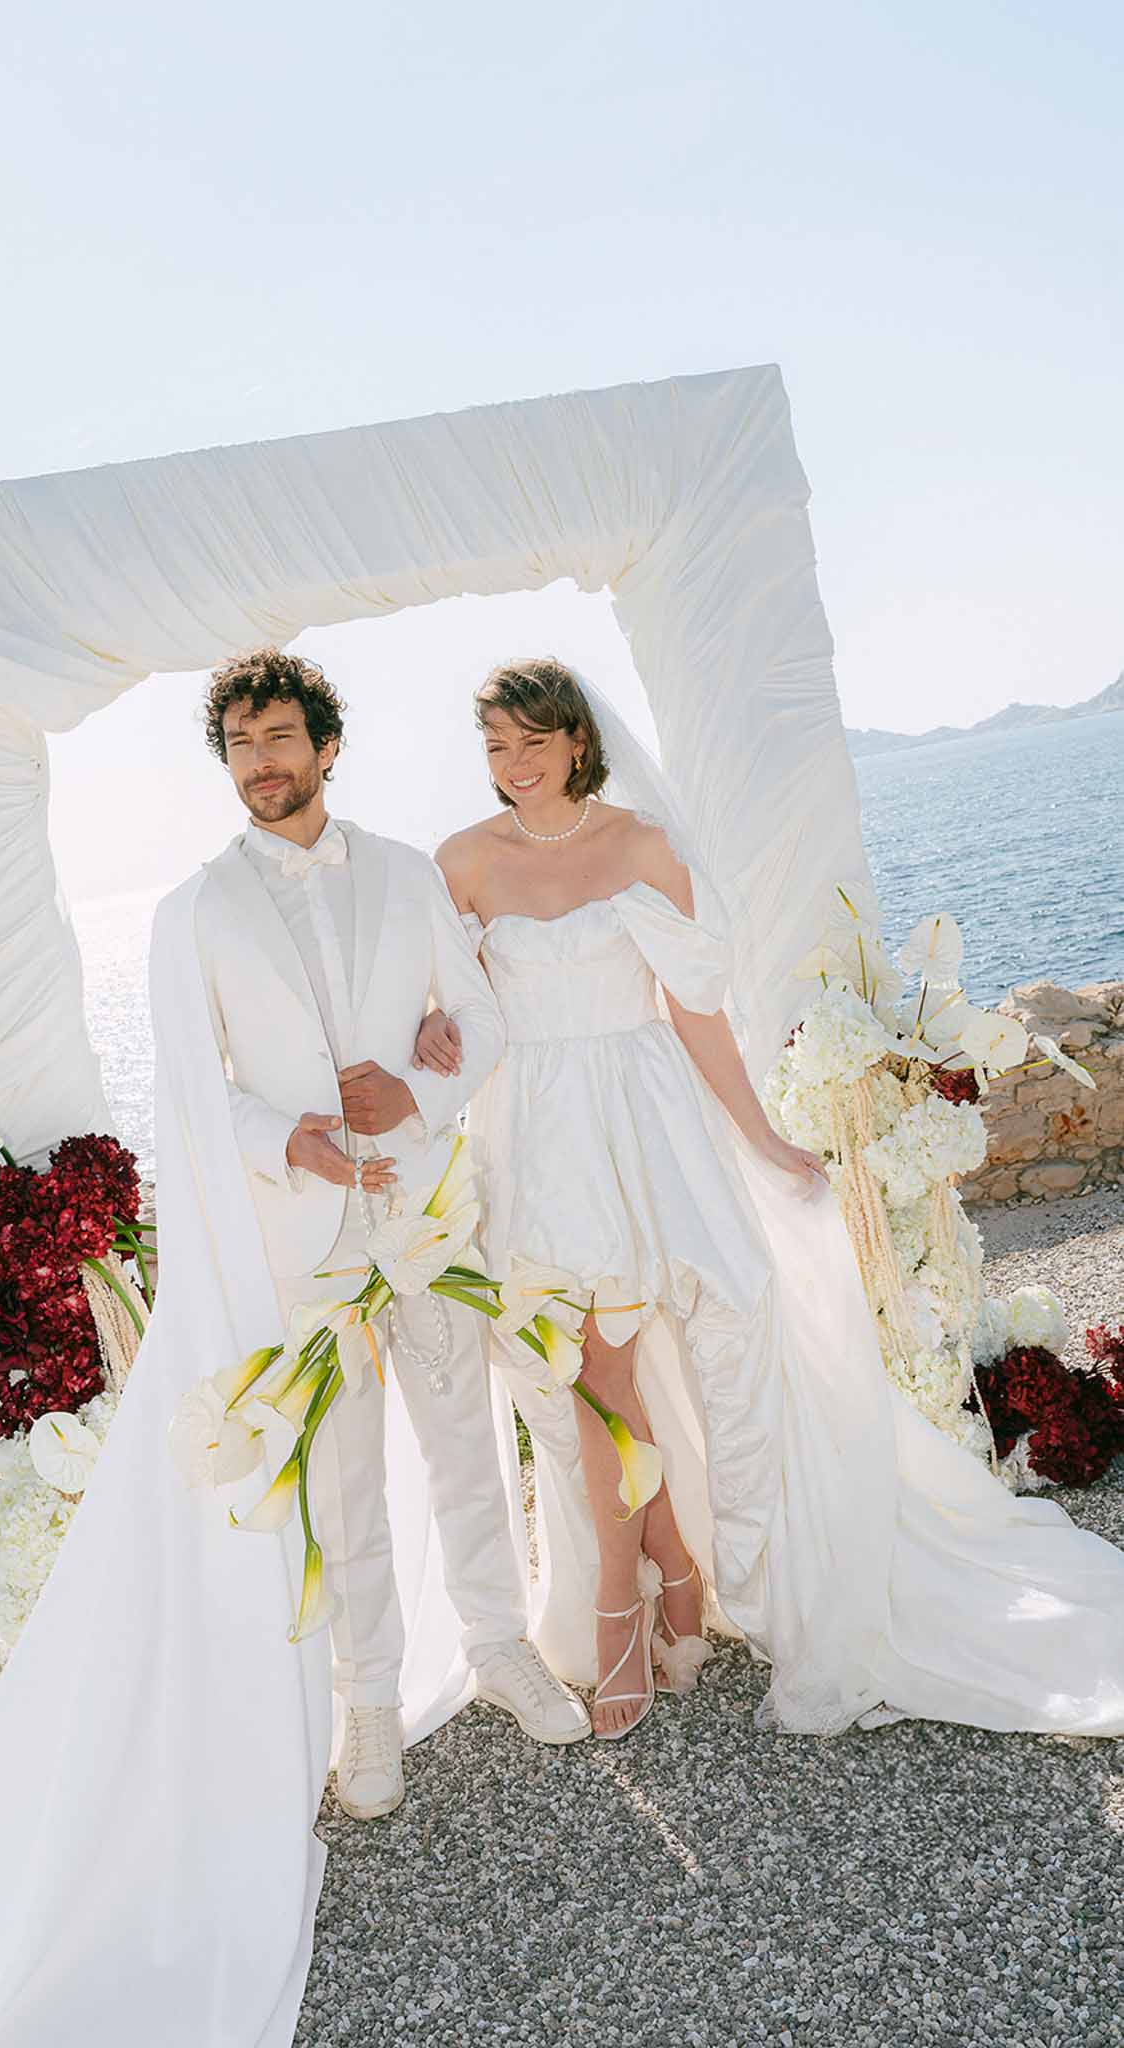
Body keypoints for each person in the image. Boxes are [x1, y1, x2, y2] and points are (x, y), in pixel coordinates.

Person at [416, 656, 1124, 1743]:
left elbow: (694, 1010)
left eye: (532, 742)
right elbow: (449, 1005)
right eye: (496, 747)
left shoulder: (642, 847)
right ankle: (656, 1570)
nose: (515, 766)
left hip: (646, 1117)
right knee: (587, 1368)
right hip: (535, 1127)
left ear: (574, 739)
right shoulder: (460, 861)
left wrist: (760, 1134)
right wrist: (428, 1042)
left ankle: (657, 1587)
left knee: (660, 1347)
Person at [197, 647, 588, 1813]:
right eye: (239, 745)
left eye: (278, 738)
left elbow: (483, 1017)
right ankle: (367, 1697)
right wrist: (286, 1135)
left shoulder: (412, 873)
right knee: (344, 1472)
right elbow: (195, 1085)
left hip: (421, 1213)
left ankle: (497, 1639)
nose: (260, 764)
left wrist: (417, 1095)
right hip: (306, 1243)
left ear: (325, 745)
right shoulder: (201, 908)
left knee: (467, 1441)